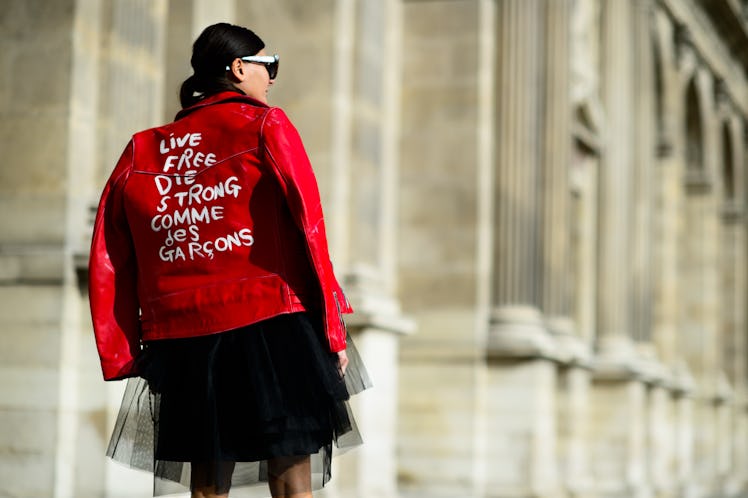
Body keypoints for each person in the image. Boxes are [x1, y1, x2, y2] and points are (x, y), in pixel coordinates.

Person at [88, 22, 370, 498]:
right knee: (292, 479)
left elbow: (108, 253)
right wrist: (332, 328)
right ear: (239, 68)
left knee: (206, 482)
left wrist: (122, 349)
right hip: (273, 321)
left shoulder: (143, 147)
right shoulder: (266, 124)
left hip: (184, 336)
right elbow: (309, 226)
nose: (273, 78)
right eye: (269, 64)